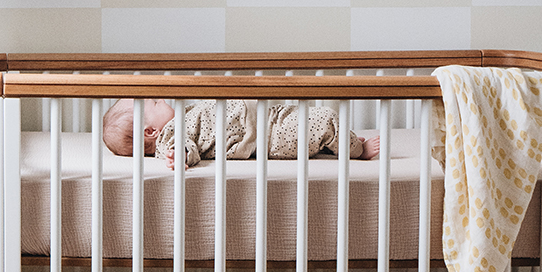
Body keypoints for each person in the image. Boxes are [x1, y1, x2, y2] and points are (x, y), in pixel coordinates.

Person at [102, 96, 379, 165]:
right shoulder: (169, 136)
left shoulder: (182, 115)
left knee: (312, 117)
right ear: (150, 131)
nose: (160, 98)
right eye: (154, 102)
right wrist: (178, 156)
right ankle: (358, 150)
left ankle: (341, 142)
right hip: (268, 137)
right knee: (325, 119)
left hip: (266, 118)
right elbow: (187, 148)